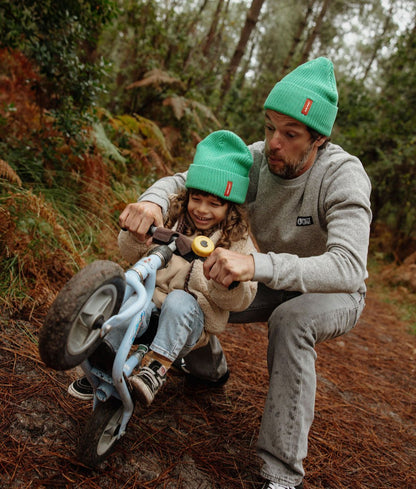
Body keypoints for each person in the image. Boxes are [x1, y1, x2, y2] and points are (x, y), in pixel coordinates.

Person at [117, 57, 372, 489]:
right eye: (271, 126)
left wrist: (257, 263)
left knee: (292, 323)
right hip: (267, 275)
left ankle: (281, 474)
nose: (273, 143)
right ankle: (206, 369)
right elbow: (186, 181)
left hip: (333, 291)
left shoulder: (342, 176)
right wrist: (153, 202)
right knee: (197, 287)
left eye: (290, 134)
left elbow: (348, 266)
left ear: (319, 139)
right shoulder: (258, 159)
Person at [69, 130, 257, 406]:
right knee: (135, 299)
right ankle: (103, 362)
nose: (202, 210)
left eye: (214, 204)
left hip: (188, 322)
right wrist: (137, 235)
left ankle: (156, 369)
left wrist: (228, 282)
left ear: (230, 207)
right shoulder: (172, 214)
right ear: (188, 194)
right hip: (149, 308)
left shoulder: (237, 239)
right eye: (197, 199)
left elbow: (243, 297)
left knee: (180, 301)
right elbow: (132, 251)